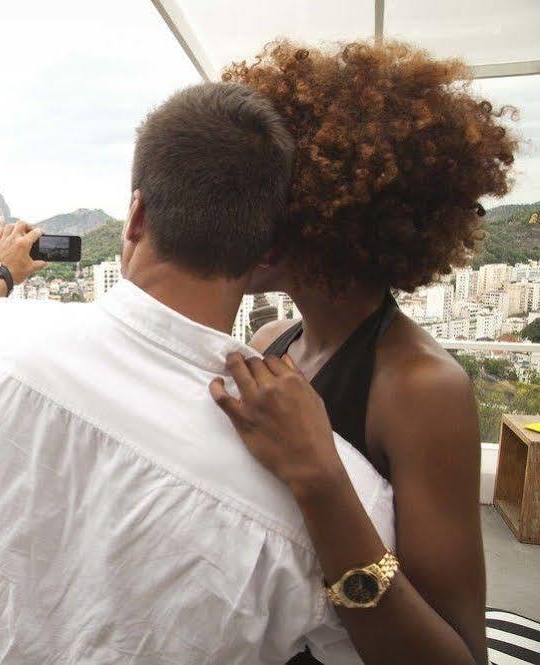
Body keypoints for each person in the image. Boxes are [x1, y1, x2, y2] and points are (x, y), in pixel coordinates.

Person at [0, 82, 394, 664]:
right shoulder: (339, 499)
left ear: (137, 215)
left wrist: (4, 272)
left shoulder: (1, 346)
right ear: (267, 254)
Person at [211, 40, 518, 665]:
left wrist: (318, 476)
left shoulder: (420, 387)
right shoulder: (273, 341)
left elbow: (457, 656)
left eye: (262, 196)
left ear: (326, 216)